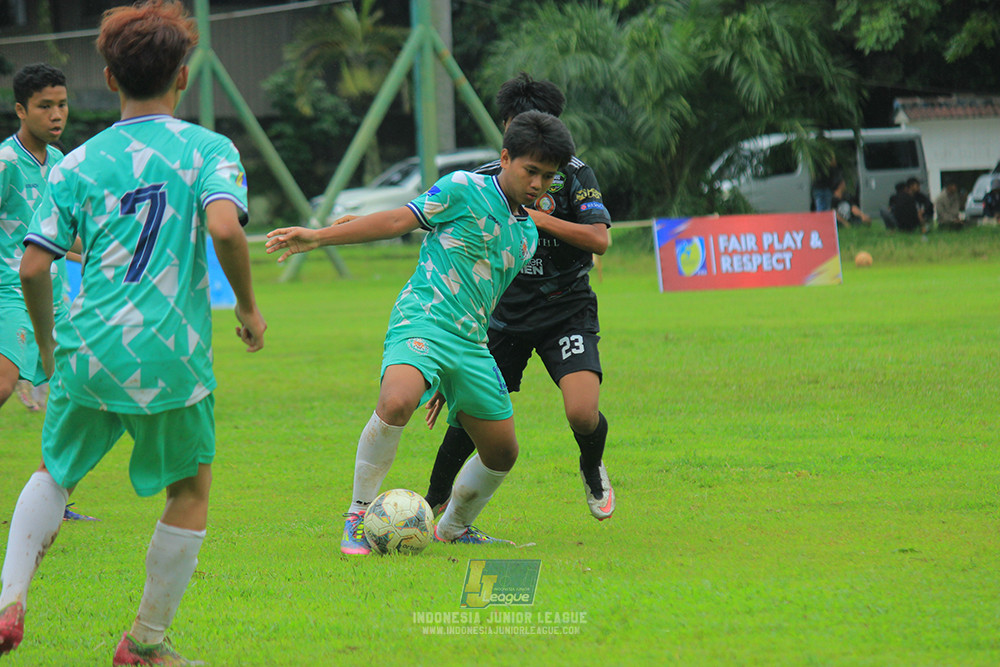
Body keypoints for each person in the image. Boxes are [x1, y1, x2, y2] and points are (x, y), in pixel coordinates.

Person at [0, 1, 266, 663]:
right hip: (171, 354)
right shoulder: (209, 149)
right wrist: (247, 308)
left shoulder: (75, 164)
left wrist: (49, 344)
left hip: (89, 347)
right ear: (183, 76)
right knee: (190, 491)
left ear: (110, 79)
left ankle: (9, 600)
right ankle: (144, 644)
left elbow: (33, 265)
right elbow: (226, 228)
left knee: (54, 472)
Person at [266, 109, 575, 554]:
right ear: (506, 158)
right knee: (397, 401)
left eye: (548, 176)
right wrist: (317, 237)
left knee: (503, 452)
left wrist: (450, 380)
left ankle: (453, 527)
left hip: (470, 344)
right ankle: (357, 516)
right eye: (531, 171)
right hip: (424, 319)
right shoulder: (463, 188)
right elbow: (398, 221)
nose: (538, 184)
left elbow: (484, 297)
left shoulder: (526, 235)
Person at [422, 72, 615, 523]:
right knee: (468, 416)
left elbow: (599, 239)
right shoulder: (484, 181)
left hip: (566, 308)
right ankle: (429, 506)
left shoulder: (573, 174)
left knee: (582, 413)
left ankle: (591, 465)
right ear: (507, 129)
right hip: (504, 314)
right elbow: (424, 218)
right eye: (518, 124)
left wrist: (538, 219)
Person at [0, 64, 98, 522]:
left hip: (53, 294)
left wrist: (101, 252)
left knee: (70, 391)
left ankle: (53, 499)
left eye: (61, 104)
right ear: (21, 110)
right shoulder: (5, 163)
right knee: (4, 382)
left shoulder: (61, 163)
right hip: (9, 290)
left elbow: (60, 236)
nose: (56, 114)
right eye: (44, 106)